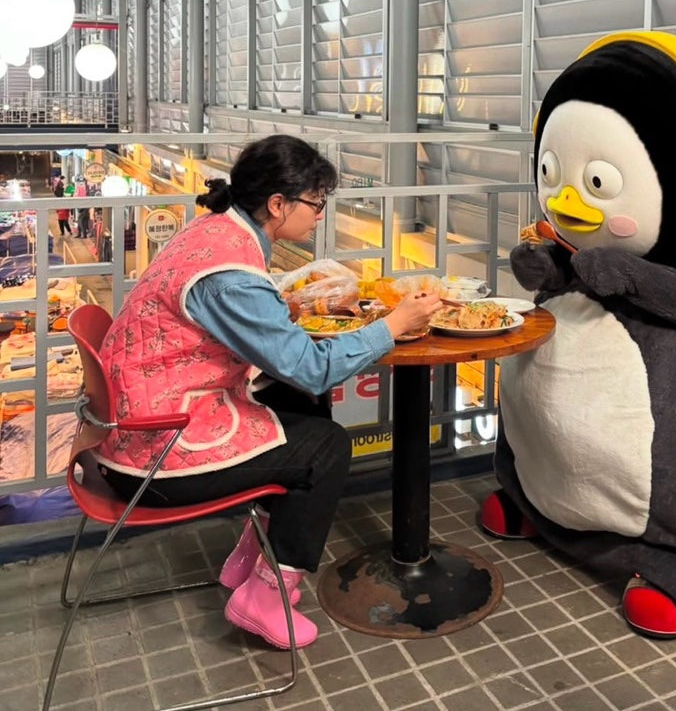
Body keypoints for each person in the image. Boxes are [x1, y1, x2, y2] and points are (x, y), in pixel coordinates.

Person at [92, 134, 443, 652]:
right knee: (325, 446)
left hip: (140, 420)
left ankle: (253, 555)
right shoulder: (231, 273)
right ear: (278, 204)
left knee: (300, 403)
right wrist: (393, 325)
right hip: (153, 454)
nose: (320, 215)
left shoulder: (213, 231)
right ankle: (266, 594)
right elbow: (312, 368)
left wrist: (287, 311)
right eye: (316, 203)